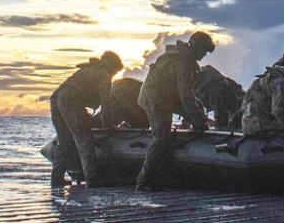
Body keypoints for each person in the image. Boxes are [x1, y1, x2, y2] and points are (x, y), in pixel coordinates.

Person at [136, 32, 212, 190]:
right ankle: (144, 181)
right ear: (196, 47)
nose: (204, 55)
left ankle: (160, 176)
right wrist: (199, 122)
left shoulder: (178, 57)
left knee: (166, 134)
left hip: (164, 97)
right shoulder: (182, 63)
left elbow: (187, 96)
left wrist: (199, 116)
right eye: (204, 51)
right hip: (157, 101)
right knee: (161, 138)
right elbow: (186, 97)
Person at [50, 51, 123, 186]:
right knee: (85, 139)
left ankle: (56, 178)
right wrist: (109, 126)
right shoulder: (104, 76)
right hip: (70, 99)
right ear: (113, 67)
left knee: (64, 141)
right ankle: (92, 178)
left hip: (56, 98)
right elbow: (106, 105)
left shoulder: (89, 69)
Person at [195, 64, 244, 130]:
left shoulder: (214, 88)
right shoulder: (196, 86)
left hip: (242, 110)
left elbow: (222, 118)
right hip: (233, 110)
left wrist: (217, 123)